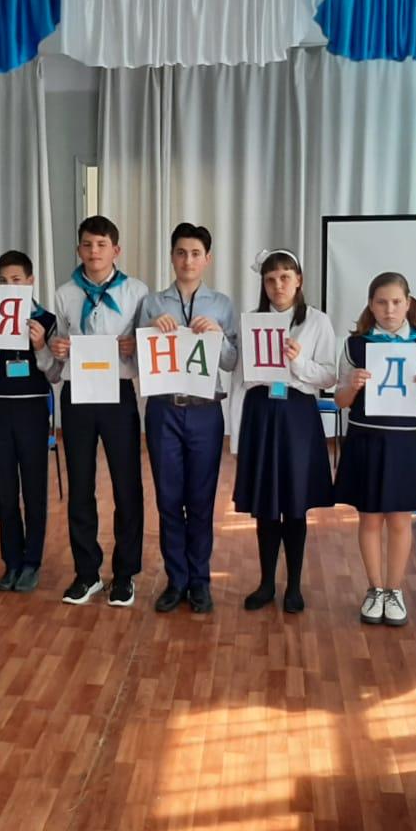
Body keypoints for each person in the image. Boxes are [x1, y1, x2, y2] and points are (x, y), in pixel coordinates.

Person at [136, 223, 239, 614]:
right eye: (181, 252)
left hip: (205, 410)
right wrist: (150, 330)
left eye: (195, 253)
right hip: (163, 409)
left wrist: (218, 335)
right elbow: (138, 359)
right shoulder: (152, 303)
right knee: (168, 499)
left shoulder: (222, 304)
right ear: (172, 257)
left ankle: (200, 581)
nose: (188, 260)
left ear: (207, 259)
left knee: (200, 499)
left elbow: (231, 361)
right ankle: (175, 579)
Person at [48, 216, 149, 607]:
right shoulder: (64, 294)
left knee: (127, 486)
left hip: (118, 393)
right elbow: (59, 347)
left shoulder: (137, 292)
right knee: (80, 487)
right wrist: (57, 349)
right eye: (87, 244)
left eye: (102, 244)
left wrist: (135, 347)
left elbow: (147, 349)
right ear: (79, 249)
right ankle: (86, 572)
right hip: (77, 394)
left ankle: (124, 574)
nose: (94, 252)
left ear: (116, 250)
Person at [333, 273, 416, 626]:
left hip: (406, 443)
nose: (389, 309)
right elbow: (339, 400)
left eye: (397, 302)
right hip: (367, 441)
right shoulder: (355, 346)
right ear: (371, 305)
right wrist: (352, 386)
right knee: (369, 518)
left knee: (399, 519)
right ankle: (375, 589)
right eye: (381, 302)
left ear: (408, 304)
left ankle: (394, 590)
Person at [233, 249, 337, 614]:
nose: (278, 285)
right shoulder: (252, 321)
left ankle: (293, 585)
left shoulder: (317, 321)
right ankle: (266, 583)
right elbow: (243, 374)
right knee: (266, 503)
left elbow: (329, 376)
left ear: (299, 280)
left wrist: (298, 361)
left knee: (294, 501)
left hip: (297, 413)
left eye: (285, 277)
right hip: (262, 410)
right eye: (270, 279)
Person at [0, 250, 57, 594]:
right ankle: (12, 561)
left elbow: (53, 373)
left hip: (33, 411)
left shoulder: (46, 320)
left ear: (30, 281)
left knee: (34, 491)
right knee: (5, 492)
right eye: (3, 280)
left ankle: (32, 561)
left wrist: (40, 345)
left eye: (16, 279)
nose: (9, 286)